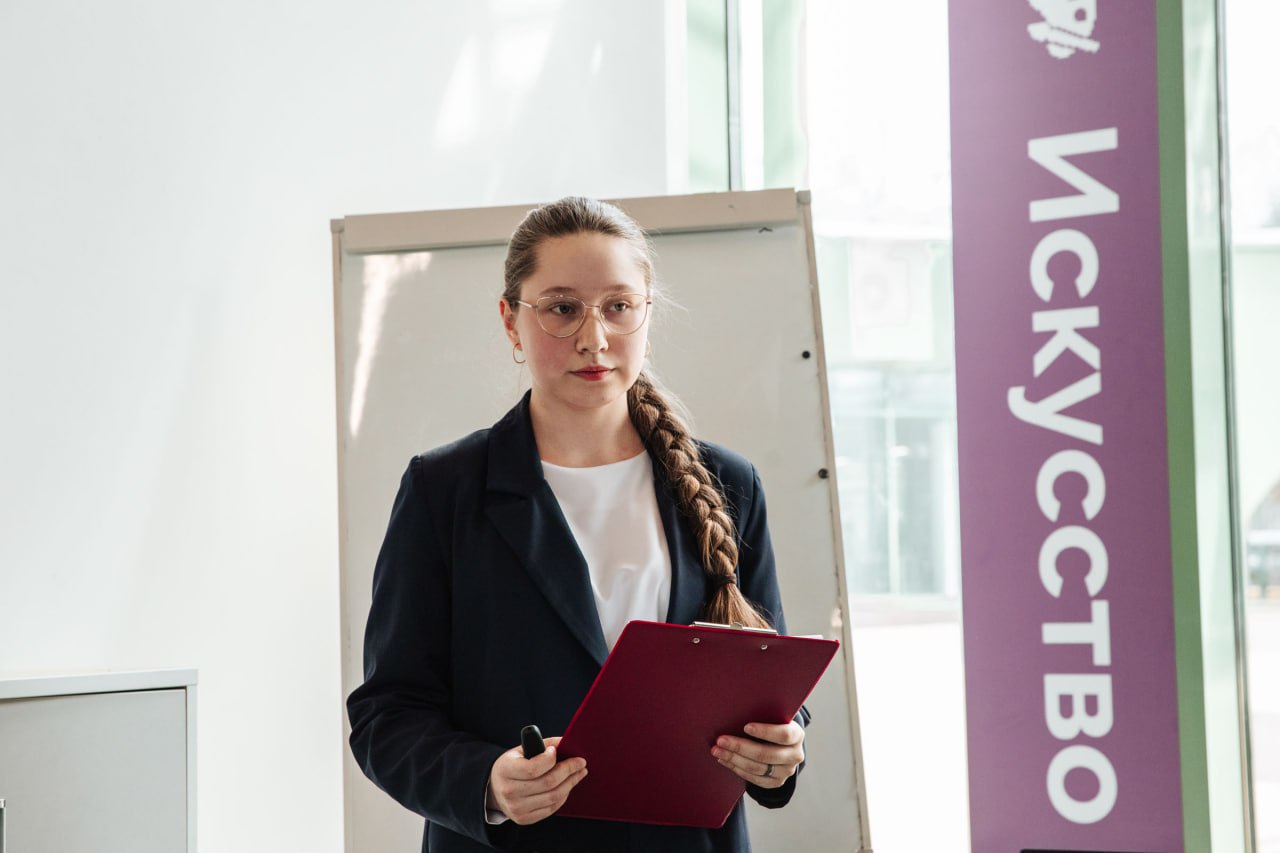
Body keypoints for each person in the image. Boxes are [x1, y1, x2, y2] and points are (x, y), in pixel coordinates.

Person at [346, 196, 808, 852]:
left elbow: (770, 685)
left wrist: (781, 748)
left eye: (618, 306)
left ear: (647, 313)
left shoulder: (730, 482)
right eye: (562, 308)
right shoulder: (444, 490)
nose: (594, 338)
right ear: (511, 321)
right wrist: (486, 782)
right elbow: (387, 716)